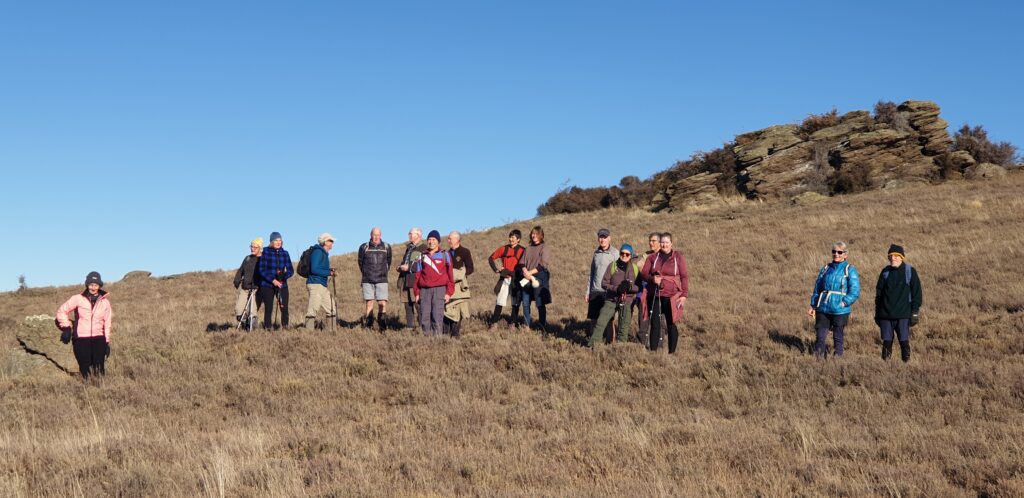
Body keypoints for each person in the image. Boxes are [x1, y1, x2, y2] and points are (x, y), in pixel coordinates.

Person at [807, 241, 861, 358]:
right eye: (834, 251)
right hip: (823, 307)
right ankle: (819, 360)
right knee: (820, 336)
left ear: (845, 254)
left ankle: (838, 360)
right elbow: (818, 288)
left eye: (839, 252)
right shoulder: (826, 268)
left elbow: (855, 290)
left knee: (838, 336)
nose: (836, 254)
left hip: (840, 310)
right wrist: (813, 305)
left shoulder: (849, 269)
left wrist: (844, 302)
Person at [55, 271, 111, 379]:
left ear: (99, 286)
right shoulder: (77, 298)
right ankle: (87, 391)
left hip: (99, 339)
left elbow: (107, 323)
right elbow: (61, 311)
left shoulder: (105, 302)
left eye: (95, 285)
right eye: (90, 284)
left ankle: (100, 392)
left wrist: (107, 342)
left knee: (99, 370)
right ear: (87, 285)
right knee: (85, 370)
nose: (93, 287)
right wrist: (66, 327)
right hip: (81, 339)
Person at [639, 233, 688, 354]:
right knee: (655, 324)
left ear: (671, 243)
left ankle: (672, 353)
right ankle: (653, 352)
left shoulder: (678, 258)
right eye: (662, 242)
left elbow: (684, 277)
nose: (664, 245)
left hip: (672, 296)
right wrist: (652, 279)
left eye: (666, 242)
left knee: (671, 324)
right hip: (655, 295)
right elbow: (644, 274)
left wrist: (684, 295)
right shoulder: (653, 257)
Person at [874, 244, 923, 362]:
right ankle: (886, 366)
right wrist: (878, 313)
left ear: (902, 257)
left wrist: (915, 312)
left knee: (904, 342)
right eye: (890, 256)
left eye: (896, 256)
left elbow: (917, 294)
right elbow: (879, 295)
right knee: (886, 343)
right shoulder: (885, 272)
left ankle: (906, 365)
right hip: (885, 315)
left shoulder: (910, 271)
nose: (893, 258)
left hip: (903, 315)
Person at [589, 244, 640, 348]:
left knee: (623, 327)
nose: (624, 256)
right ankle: (592, 346)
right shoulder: (612, 265)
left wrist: (629, 288)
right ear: (619, 253)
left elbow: (638, 287)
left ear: (631, 255)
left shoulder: (635, 269)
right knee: (601, 322)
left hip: (627, 301)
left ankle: (620, 349)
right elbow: (604, 283)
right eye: (622, 253)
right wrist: (616, 288)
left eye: (627, 254)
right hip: (611, 299)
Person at [413, 230, 454, 336]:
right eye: (429, 239)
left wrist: (449, 293)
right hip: (424, 291)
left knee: (437, 317)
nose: (431, 242)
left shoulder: (445, 255)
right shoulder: (421, 256)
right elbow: (417, 275)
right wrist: (417, 293)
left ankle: (437, 343)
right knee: (424, 318)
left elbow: (450, 276)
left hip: (440, 290)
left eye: (434, 239)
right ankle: (427, 343)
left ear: (438, 242)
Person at [487, 229, 525, 326]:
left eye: (513, 237)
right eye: (510, 237)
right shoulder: (503, 249)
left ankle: (512, 323)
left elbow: (525, 265)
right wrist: (496, 269)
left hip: (516, 280)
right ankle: (494, 323)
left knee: (515, 303)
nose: (510, 239)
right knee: (500, 301)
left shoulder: (523, 250)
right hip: (505, 279)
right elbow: (491, 258)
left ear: (518, 239)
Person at [587, 228, 618, 342]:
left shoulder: (615, 253)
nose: (602, 240)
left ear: (609, 238)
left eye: (605, 237)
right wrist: (588, 292)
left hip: (608, 291)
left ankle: (610, 342)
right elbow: (591, 273)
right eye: (600, 237)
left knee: (609, 319)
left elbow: (618, 273)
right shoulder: (596, 253)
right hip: (595, 290)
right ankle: (593, 341)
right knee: (594, 319)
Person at [258, 231, 294, 330]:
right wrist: (273, 280)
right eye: (275, 240)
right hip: (267, 285)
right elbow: (261, 270)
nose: (278, 242)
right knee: (269, 308)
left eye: (280, 240)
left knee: (284, 307)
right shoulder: (265, 252)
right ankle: (268, 328)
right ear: (271, 242)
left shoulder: (285, 253)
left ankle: (285, 326)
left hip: (282, 285)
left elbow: (291, 270)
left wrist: (284, 276)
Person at [358, 227, 392, 331]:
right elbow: (360, 262)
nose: (376, 237)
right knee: (369, 303)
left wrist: (383, 273)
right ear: (370, 235)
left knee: (382, 303)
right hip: (367, 279)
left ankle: (382, 327)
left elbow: (388, 262)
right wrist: (366, 273)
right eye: (374, 235)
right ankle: (369, 325)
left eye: (378, 235)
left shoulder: (386, 247)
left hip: (382, 279)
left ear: (380, 235)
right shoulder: (364, 247)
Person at [520, 226, 552, 331]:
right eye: (533, 233)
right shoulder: (528, 248)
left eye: (536, 234)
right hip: (527, 278)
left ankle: (542, 325)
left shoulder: (544, 247)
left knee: (540, 303)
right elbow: (522, 263)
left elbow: (543, 265)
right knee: (525, 303)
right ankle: (526, 325)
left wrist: (529, 273)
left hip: (539, 278)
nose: (534, 236)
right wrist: (525, 271)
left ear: (541, 235)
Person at [444, 231, 474, 337]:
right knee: (447, 307)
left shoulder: (465, 252)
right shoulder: (446, 253)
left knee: (458, 308)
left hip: (459, 286)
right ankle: (445, 333)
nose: (448, 241)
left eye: (450, 239)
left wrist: (460, 274)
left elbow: (470, 268)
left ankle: (455, 333)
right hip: (448, 285)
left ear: (457, 239)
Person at [304, 233, 337, 330]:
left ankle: (332, 332)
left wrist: (329, 271)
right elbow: (314, 269)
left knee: (331, 307)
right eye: (331, 241)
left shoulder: (323, 253)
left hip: (321, 285)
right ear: (325, 242)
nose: (332, 243)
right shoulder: (318, 252)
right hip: (315, 284)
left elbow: (319, 268)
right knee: (313, 309)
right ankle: (308, 333)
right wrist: (329, 273)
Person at [634, 232, 662, 347]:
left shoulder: (665, 255)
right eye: (649, 241)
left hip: (661, 291)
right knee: (643, 314)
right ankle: (643, 341)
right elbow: (639, 267)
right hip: (645, 290)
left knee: (660, 317)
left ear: (660, 242)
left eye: (653, 241)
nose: (650, 243)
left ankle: (659, 343)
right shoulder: (646, 255)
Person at [397, 228, 427, 330]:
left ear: (418, 235)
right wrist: (400, 267)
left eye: (411, 234)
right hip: (405, 280)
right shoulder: (409, 248)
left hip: (415, 281)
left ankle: (422, 327)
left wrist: (408, 267)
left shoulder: (423, 248)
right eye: (409, 233)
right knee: (407, 305)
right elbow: (406, 261)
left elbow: (421, 265)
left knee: (418, 305)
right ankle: (409, 327)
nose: (409, 235)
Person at [233, 238, 262, 329]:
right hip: (245, 288)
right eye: (251, 246)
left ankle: (252, 329)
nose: (252, 249)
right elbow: (241, 270)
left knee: (252, 311)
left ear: (260, 248)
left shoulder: (263, 259)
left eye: (255, 247)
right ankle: (244, 324)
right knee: (238, 309)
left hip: (256, 289)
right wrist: (237, 280)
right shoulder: (247, 258)